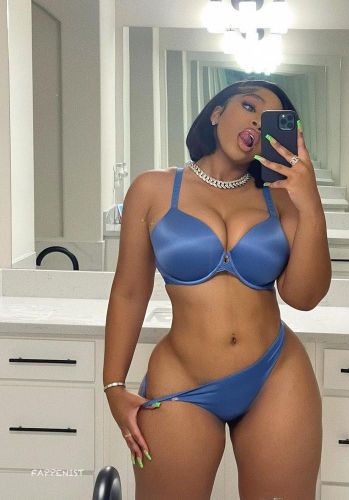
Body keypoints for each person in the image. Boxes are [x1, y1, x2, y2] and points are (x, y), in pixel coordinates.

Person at [103, 79, 331, 500]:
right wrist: (113, 386)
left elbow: (304, 297)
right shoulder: (153, 189)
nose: (257, 122)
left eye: (270, 119)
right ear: (216, 113)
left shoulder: (281, 199)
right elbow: (129, 292)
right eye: (249, 106)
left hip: (276, 374)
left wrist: (310, 201)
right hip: (181, 381)